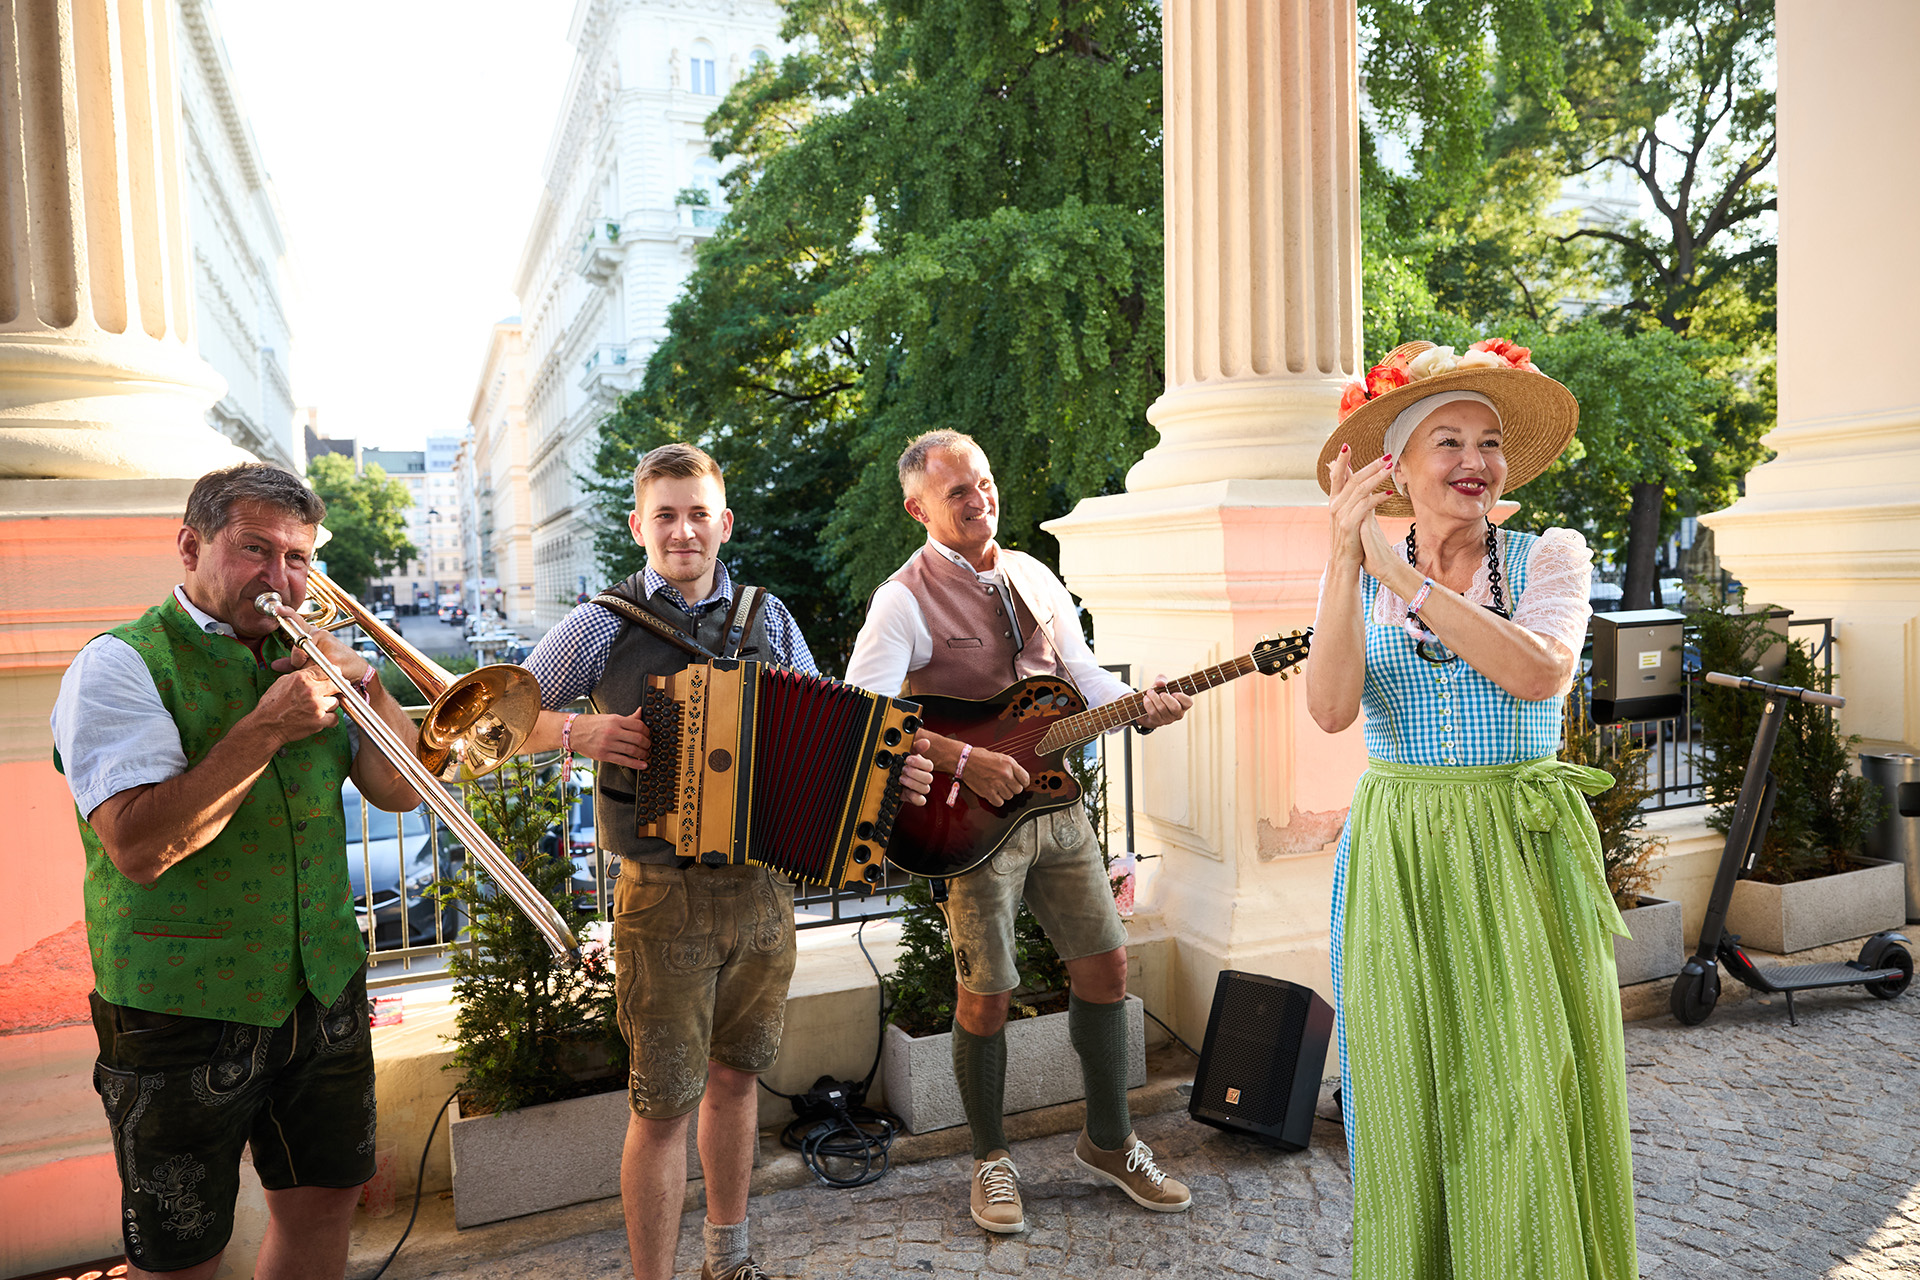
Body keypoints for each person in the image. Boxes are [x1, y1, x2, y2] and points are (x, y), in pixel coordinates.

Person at [517, 443, 932, 1280]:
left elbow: (836, 738)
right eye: (664, 515)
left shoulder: (767, 619)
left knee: (738, 1082)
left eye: (697, 513)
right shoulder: (601, 624)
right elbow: (494, 723)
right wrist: (578, 731)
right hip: (658, 897)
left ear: (723, 522)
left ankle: (728, 1260)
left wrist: (892, 774)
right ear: (638, 525)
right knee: (663, 1108)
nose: (682, 531)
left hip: (760, 892)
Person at [1306, 340, 1639, 1278]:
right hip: (1399, 851)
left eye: (1487, 442)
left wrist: (1402, 576)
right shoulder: (1360, 573)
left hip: (1518, 846)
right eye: (1446, 440)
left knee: (1529, 1084)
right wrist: (1346, 561)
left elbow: (1539, 673)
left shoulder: (1550, 556)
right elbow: (1330, 710)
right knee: (1412, 1088)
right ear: (1396, 470)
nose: (1474, 462)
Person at [50, 463, 423, 1280]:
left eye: (298, 558)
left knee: (325, 1203)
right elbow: (140, 847)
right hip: (179, 1005)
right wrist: (266, 726)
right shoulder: (119, 666)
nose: (280, 577)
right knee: (183, 1249)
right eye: (256, 549)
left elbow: (398, 788)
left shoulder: (307, 657)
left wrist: (369, 682)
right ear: (191, 546)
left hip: (322, 984)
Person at [843, 430, 1194, 1236]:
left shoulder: (1034, 575)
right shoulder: (900, 598)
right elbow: (862, 715)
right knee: (988, 993)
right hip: (971, 830)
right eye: (958, 491)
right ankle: (990, 1160)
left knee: (1106, 967)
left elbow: (1086, 678)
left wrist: (1146, 701)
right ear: (918, 507)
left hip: (1059, 809)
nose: (980, 500)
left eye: (986, 483)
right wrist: (961, 758)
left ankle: (1109, 1142)